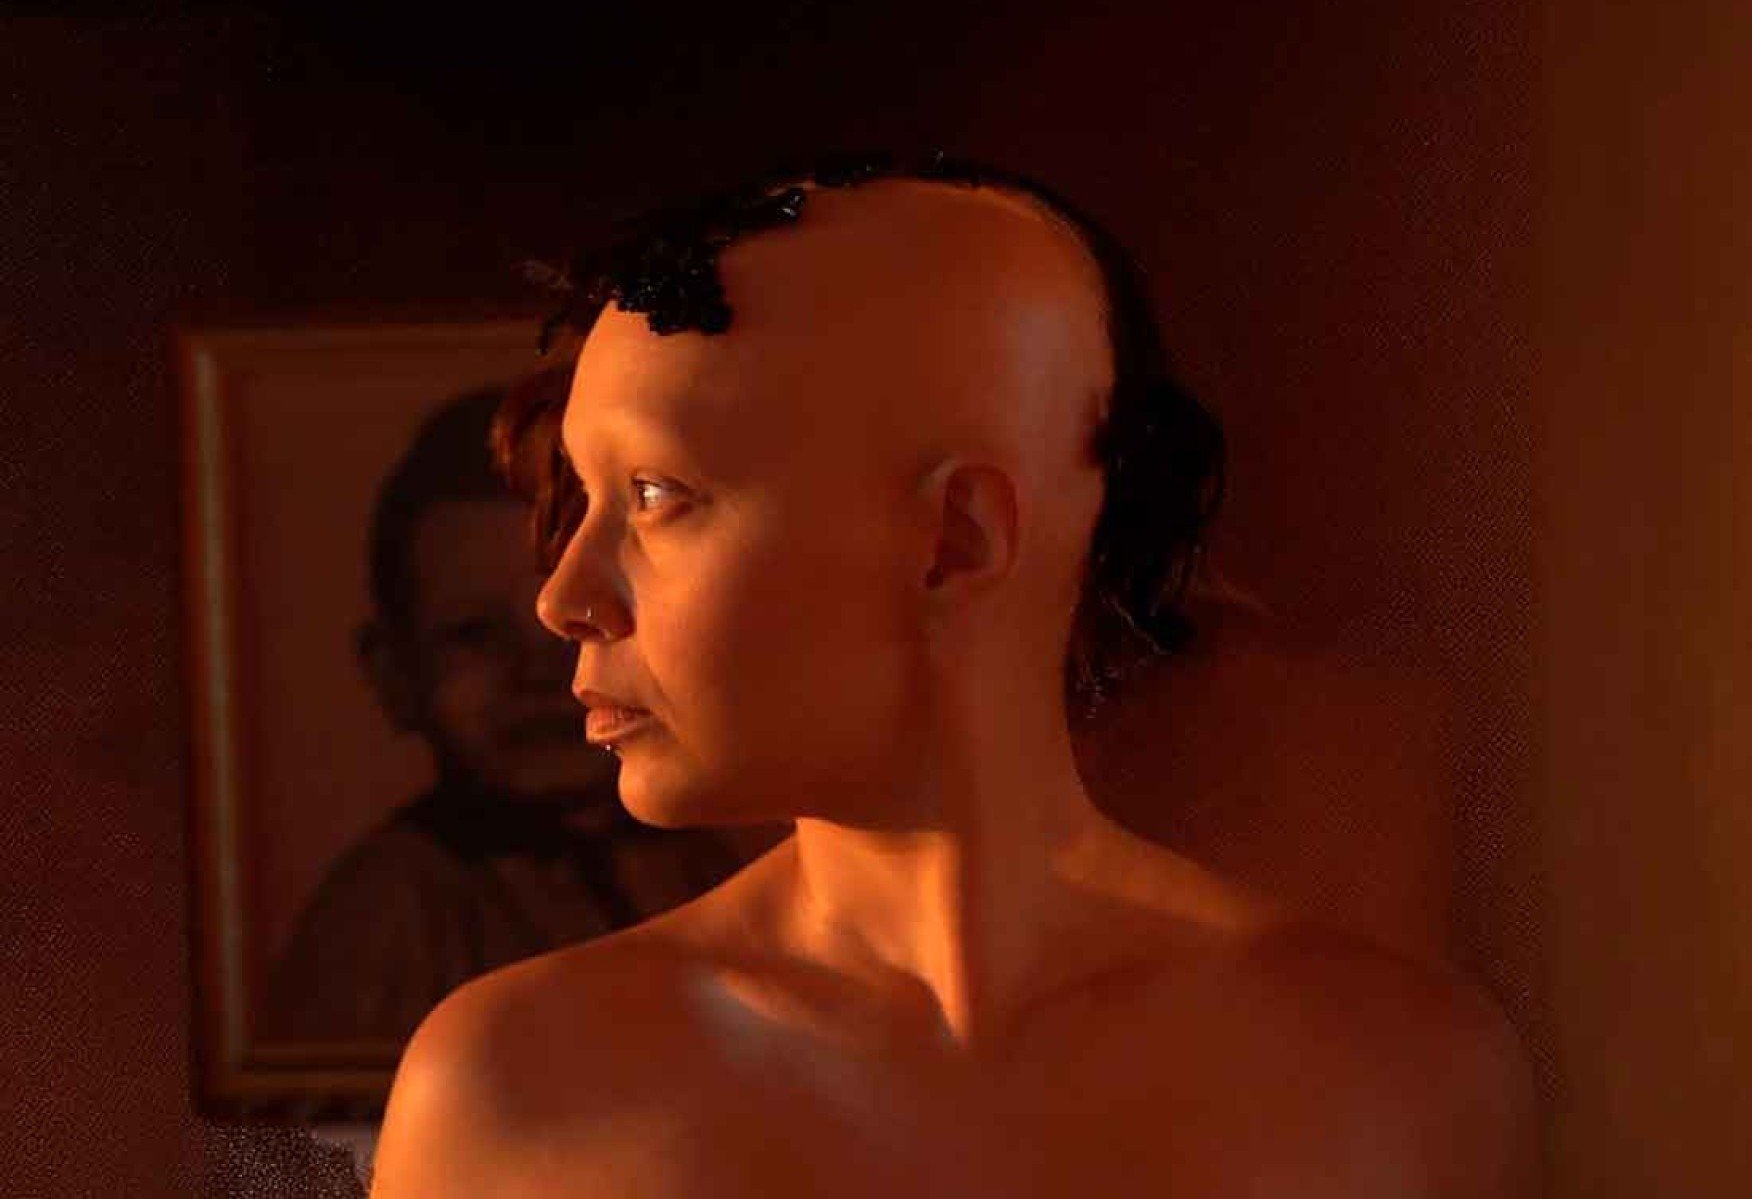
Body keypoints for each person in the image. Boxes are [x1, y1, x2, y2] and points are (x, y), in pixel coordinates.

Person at [368, 152, 1538, 1196]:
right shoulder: (514, 1088)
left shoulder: (1396, 1077)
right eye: (586, 497)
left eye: (658, 496)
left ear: (957, 540)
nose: (564, 596)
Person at [259, 377, 778, 1047]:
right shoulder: (393, 911)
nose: (538, 673)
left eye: (573, 627)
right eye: (475, 634)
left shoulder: (698, 867)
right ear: (394, 673)